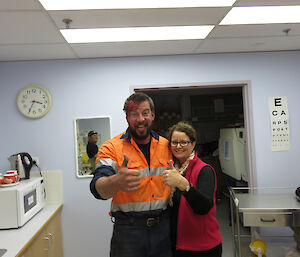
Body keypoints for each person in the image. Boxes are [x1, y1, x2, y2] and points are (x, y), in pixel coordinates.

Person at [90, 92, 173, 257]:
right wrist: (115, 181)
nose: (140, 119)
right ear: (127, 117)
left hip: (163, 229)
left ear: (152, 115)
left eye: (145, 113)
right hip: (128, 233)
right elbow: (97, 188)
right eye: (134, 114)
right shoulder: (111, 147)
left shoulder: (167, 146)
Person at [163, 121, 222, 257]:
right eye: (174, 142)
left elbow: (205, 207)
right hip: (178, 244)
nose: (178, 146)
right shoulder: (173, 169)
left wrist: (184, 185)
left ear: (193, 144)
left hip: (202, 248)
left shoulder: (204, 170)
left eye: (184, 142)